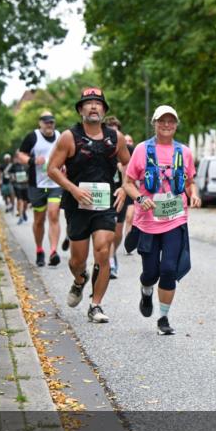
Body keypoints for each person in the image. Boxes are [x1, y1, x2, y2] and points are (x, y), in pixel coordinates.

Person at [48, 88, 130, 324]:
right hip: (78, 205)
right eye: (88, 103)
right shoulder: (69, 137)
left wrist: (124, 187)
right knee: (77, 261)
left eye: (98, 104)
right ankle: (79, 281)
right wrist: (73, 189)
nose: (93, 107)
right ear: (80, 109)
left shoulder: (115, 138)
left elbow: (130, 165)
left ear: (104, 111)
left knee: (103, 250)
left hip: (105, 204)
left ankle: (96, 305)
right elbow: (52, 169)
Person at [123, 105, 200, 335]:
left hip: (175, 219)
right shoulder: (141, 150)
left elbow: (189, 182)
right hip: (147, 221)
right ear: (154, 123)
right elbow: (128, 183)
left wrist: (194, 194)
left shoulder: (184, 152)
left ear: (176, 125)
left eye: (171, 121)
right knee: (151, 273)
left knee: (168, 269)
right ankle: (146, 292)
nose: (166, 125)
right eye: (162, 121)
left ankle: (163, 318)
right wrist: (139, 198)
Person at [18, 110, 63, 267]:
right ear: (40, 123)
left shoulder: (60, 136)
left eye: (51, 122)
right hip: (37, 185)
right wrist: (33, 160)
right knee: (39, 219)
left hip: (55, 184)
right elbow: (20, 155)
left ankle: (53, 251)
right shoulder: (33, 137)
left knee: (53, 214)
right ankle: (39, 249)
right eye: (46, 122)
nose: (49, 125)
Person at [103, 116, 129, 278]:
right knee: (109, 230)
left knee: (118, 232)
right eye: (110, 128)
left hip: (121, 192)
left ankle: (113, 253)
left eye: (116, 128)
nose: (113, 131)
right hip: (106, 193)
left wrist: (123, 173)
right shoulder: (101, 147)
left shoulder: (124, 147)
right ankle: (110, 261)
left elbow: (132, 168)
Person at [8, 150, 30, 223]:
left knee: (25, 203)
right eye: (17, 156)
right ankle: (20, 217)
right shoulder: (14, 165)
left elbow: (31, 174)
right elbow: (9, 173)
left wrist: (28, 178)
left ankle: (23, 212)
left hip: (26, 186)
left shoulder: (27, 165)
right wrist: (12, 177)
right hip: (17, 186)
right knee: (20, 201)